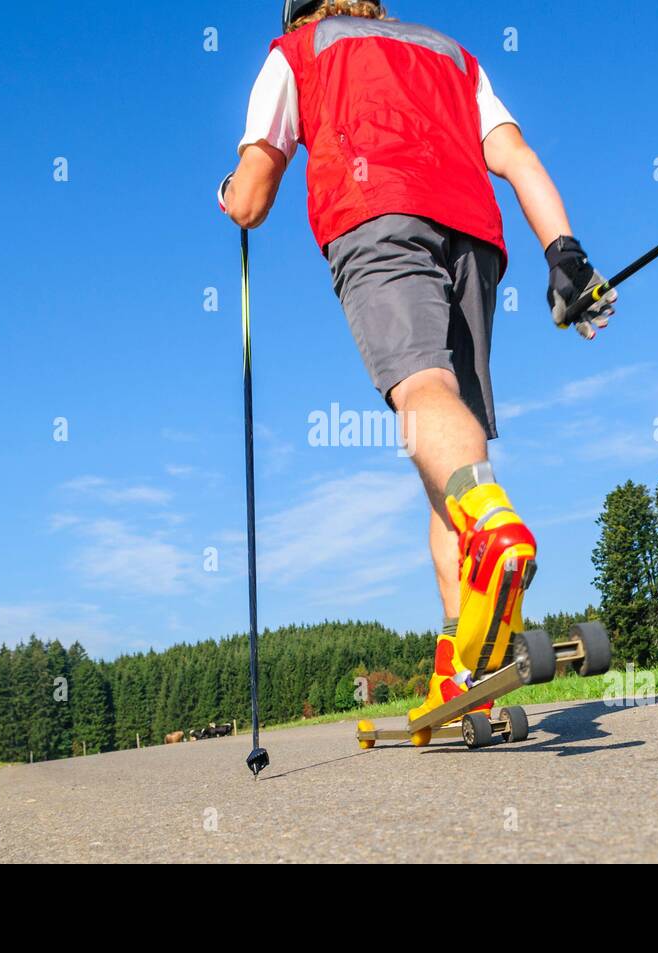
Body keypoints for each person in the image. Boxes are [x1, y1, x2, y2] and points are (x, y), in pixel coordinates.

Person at [218, 0, 616, 726]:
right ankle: (467, 662)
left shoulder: (299, 50)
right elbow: (517, 157)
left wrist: (228, 196)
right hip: (476, 236)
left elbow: (253, 194)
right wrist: (566, 259)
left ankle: (493, 528)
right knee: (452, 453)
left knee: (423, 394)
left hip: (378, 214)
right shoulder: (450, 53)